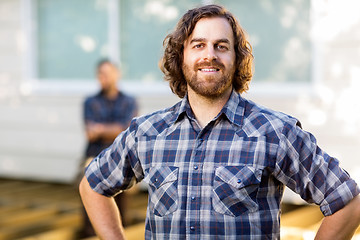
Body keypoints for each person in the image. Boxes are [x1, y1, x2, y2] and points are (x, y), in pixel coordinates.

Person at [79, 5, 360, 239]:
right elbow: (92, 186)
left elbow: (348, 203)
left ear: (237, 59)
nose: (209, 54)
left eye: (221, 46)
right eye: (198, 45)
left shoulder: (274, 132)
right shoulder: (147, 132)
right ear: (181, 57)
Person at [79, 59, 138, 237]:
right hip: (95, 155)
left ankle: (121, 228)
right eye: (99, 74)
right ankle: (90, 231)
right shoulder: (90, 101)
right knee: (89, 182)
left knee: (124, 184)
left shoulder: (129, 101)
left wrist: (101, 129)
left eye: (106, 73)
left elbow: (127, 129)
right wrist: (115, 128)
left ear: (116, 74)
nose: (102, 78)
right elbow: (90, 132)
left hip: (121, 156)